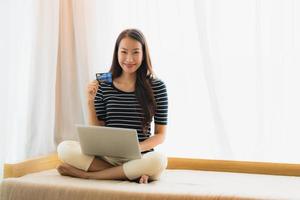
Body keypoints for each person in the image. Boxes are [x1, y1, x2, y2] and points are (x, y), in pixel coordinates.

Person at [56, 29, 168, 184]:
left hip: (140, 157)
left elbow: (160, 134)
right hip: (108, 157)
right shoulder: (104, 85)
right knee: (64, 148)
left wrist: (138, 147)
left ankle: (89, 175)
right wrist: (90, 102)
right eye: (124, 52)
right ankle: (131, 174)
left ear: (143, 54)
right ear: (117, 53)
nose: (129, 59)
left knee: (159, 161)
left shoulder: (157, 86)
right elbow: (97, 130)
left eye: (135, 52)